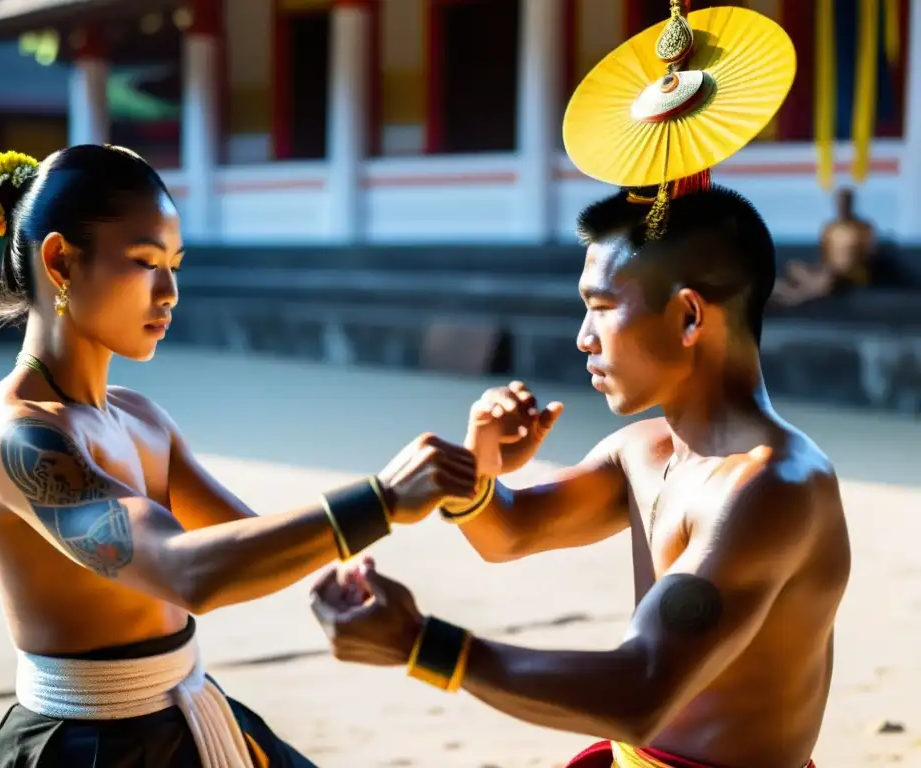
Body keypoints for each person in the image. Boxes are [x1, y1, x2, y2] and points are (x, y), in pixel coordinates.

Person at [309, 5, 850, 768]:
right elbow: (515, 532)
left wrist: (420, 644)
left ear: (689, 315)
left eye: (601, 309)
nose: (583, 338)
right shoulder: (647, 447)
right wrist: (478, 474)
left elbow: (642, 690)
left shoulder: (773, 489)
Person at [0, 144, 479, 768]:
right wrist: (383, 500)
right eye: (145, 262)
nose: (171, 291)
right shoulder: (16, 438)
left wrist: (332, 577)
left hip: (188, 709)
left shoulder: (140, 417)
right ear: (61, 260)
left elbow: (242, 538)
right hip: (85, 745)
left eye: (175, 264)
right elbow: (188, 573)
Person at [771, 187, 876, 307]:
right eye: (839, 202)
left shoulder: (863, 228)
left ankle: (792, 296)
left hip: (850, 275)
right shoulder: (830, 228)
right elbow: (824, 256)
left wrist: (844, 268)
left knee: (827, 279)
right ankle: (802, 288)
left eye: (845, 202)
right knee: (794, 267)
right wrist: (821, 269)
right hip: (829, 271)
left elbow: (868, 256)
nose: (841, 205)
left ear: (851, 203)